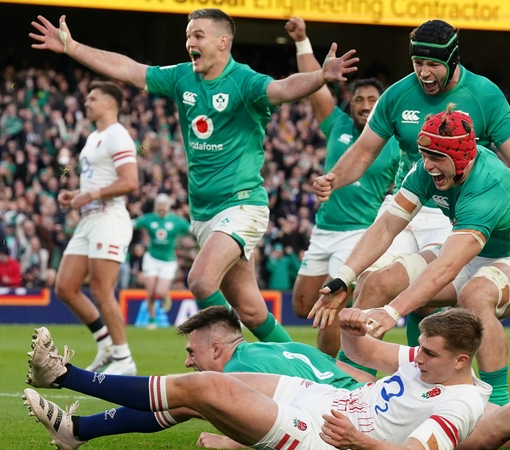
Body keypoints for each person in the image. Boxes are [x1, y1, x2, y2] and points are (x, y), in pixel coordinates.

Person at [30, 8, 357, 344]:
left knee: (201, 281)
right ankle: (304, 368)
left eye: (198, 35)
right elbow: (129, 70)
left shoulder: (244, 81)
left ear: (222, 42)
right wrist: (73, 47)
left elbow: (284, 88)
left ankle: (235, 361)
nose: (190, 42)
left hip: (242, 206)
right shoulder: (183, 77)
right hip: (204, 214)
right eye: (188, 35)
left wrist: (319, 77)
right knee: (252, 311)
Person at [310, 18, 510, 356]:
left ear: (452, 60)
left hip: (453, 212)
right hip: (409, 195)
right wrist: (336, 178)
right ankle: (353, 384)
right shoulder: (398, 96)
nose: (424, 72)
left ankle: (426, 381)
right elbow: (362, 152)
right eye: (418, 63)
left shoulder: (485, 96)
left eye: (433, 63)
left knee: (426, 296)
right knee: (372, 283)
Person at [311, 105, 510, 406]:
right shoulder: (427, 168)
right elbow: (386, 225)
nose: (428, 165)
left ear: (462, 156)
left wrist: (392, 312)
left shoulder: (487, 185)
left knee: (474, 296)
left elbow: (448, 266)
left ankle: (495, 405)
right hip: (467, 253)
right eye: (424, 155)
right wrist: (344, 277)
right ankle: (348, 392)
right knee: (375, 284)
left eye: (437, 158)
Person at [23, 308, 490, 450]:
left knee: (207, 389)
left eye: (428, 354)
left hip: (333, 439)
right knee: (211, 390)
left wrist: (357, 440)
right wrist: (351, 332)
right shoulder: (429, 357)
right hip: (326, 399)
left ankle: (64, 376)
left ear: (461, 360)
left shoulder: (461, 404)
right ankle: (77, 431)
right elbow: (363, 353)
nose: (417, 357)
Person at [285, 16, 400, 357]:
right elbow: (314, 84)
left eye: (372, 100)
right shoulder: (336, 124)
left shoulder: (394, 141)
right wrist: (302, 40)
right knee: (303, 305)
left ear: (383, 105)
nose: (365, 105)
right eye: (359, 100)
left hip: (358, 233)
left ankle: (330, 376)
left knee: (328, 312)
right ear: (350, 104)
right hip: (324, 229)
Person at [52, 81, 140, 375]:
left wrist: (89, 195)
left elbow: (130, 181)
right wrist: (76, 193)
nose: (86, 102)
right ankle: (105, 344)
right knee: (65, 286)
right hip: (89, 219)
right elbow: (98, 179)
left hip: (109, 219)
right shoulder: (94, 137)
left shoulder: (118, 135)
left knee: (103, 290)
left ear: (109, 104)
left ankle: (124, 358)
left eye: (93, 98)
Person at [131, 193, 191, 329]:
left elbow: (191, 229)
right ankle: (152, 320)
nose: (161, 209)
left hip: (168, 261)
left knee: (161, 292)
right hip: (151, 259)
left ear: (168, 207)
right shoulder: (149, 219)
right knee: (151, 292)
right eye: (159, 206)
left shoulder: (176, 221)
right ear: (156, 207)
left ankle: (165, 295)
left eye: (164, 206)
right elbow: (133, 224)